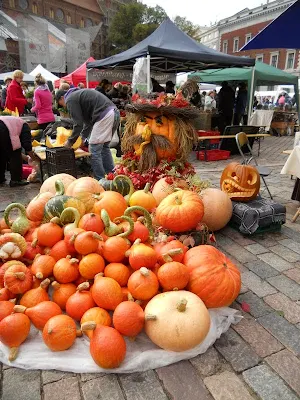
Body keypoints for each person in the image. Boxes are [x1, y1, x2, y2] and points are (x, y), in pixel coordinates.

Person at [55, 88, 120, 180]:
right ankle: (112, 176)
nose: (63, 107)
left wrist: (70, 142)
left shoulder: (70, 99)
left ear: (62, 98)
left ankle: (100, 180)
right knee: (104, 148)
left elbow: (78, 124)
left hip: (105, 115)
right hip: (114, 113)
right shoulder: (78, 96)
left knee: (94, 148)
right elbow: (87, 123)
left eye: (60, 104)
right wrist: (82, 137)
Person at [0, 116, 37, 186]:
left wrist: (27, 158)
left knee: (1, 154)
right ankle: (16, 180)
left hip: (3, 127)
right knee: (15, 155)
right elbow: (27, 145)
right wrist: (34, 158)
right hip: (4, 129)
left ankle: (0, 178)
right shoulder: (25, 126)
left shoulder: (17, 122)